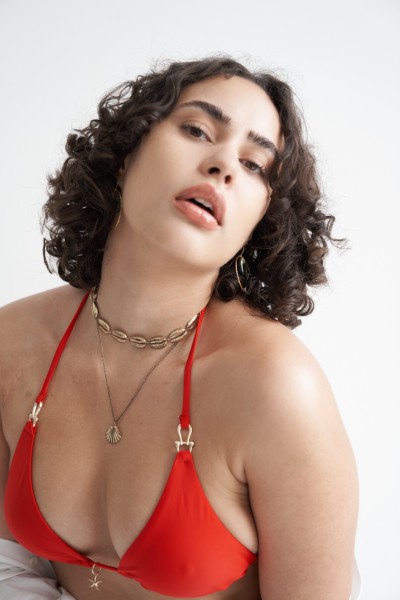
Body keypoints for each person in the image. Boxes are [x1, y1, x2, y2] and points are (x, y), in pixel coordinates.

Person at [0, 56, 360, 600]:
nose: (224, 166)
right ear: (125, 156)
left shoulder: (276, 387)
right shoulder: (15, 342)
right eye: (197, 130)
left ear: (261, 219)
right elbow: (7, 568)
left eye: (255, 164)